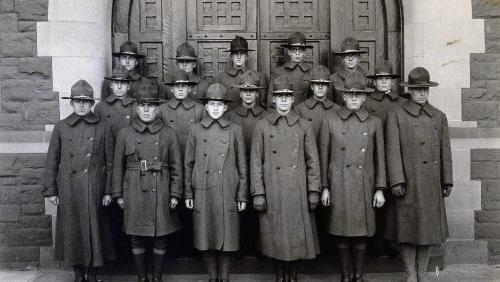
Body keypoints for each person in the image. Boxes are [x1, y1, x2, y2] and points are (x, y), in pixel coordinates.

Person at [43, 80, 116, 282]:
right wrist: (51, 190)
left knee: (95, 230)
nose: (82, 105)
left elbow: (110, 162)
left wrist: (109, 190)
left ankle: (92, 274)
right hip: (69, 187)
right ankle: (78, 274)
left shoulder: (103, 126)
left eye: (86, 101)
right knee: (73, 230)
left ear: (92, 103)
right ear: (72, 103)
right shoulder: (61, 127)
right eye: (77, 101)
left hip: (95, 187)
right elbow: (52, 160)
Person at [385, 67, 453, 282]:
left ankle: (422, 273)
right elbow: (392, 150)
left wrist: (447, 180)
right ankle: (410, 274)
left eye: (425, 89)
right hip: (408, 183)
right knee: (407, 231)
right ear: (410, 91)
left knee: (427, 232)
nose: (422, 93)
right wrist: (396, 179)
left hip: (431, 183)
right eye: (417, 89)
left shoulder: (439, 116)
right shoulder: (397, 114)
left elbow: (445, 151)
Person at [251, 76, 320, 282]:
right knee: (275, 237)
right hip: (272, 189)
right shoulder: (262, 126)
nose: (283, 101)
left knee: (296, 236)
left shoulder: (304, 125)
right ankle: (280, 275)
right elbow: (255, 161)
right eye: (279, 96)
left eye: (287, 97)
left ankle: (293, 275)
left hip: (296, 189)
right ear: (273, 100)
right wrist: (258, 192)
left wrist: (314, 190)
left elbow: (313, 161)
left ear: (292, 100)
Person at [318, 72, 386, 282]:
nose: (354, 98)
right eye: (350, 95)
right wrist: (325, 187)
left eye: (358, 95)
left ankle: (358, 275)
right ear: (343, 96)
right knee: (342, 232)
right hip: (339, 184)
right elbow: (323, 157)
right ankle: (346, 275)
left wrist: (380, 188)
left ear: (364, 98)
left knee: (361, 233)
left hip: (364, 185)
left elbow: (380, 159)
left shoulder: (374, 122)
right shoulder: (330, 120)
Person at [112, 83, 183, 282]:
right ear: (136, 107)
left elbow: (177, 168)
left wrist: (175, 194)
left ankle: (157, 279)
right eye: (142, 105)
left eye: (150, 105)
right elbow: (118, 166)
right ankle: (142, 279)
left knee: (160, 236)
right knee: (136, 235)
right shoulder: (125, 133)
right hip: (133, 189)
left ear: (157, 109)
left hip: (161, 188)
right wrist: (117, 194)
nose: (145, 109)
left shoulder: (169, 134)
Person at [184, 83, 248, 282]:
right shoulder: (195, 130)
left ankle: (225, 277)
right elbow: (189, 163)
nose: (215, 109)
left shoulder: (235, 130)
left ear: (226, 107)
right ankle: (212, 277)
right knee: (206, 233)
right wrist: (188, 192)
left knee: (227, 234)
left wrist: (242, 194)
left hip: (227, 188)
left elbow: (242, 164)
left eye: (219, 105)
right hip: (203, 188)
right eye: (212, 104)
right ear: (206, 106)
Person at [160, 70, 205, 257]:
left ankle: (192, 247)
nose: (179, 89)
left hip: (193, 161)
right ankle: (173, 248)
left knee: (191, 203)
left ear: (189, 88)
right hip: (168, 163)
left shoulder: (199, 109)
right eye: (176, 86)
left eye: (183, 86)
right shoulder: (162, 109)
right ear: (171, 89)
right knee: (170, 203)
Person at [363, 60, 405, 258]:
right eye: (380, 79)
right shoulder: (368, 102)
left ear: (392, 81)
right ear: (375, 82)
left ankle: (391, 242)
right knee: (373, 196)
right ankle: (373, 242)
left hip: (395, 155)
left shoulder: (401, 103)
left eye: (387, 79)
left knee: (393, 201)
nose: (384, 82)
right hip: (371, 154)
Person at [227, 69, 267, 256]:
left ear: (257, 93)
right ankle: (240, 249)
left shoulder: (266, 115)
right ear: (240, 93)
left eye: (252, 91)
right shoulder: (231, 116)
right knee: (240, 206)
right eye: (244, 90)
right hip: (237, 169)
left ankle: (259, 249)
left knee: (260, 208)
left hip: (261, 169)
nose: (248, 94)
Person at [213, 36, 266, 111]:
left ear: (247, 56)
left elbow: (262, 105)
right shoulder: (220, 78)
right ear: (231, 56)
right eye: (235, 53)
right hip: (228, 119)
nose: (239, 57)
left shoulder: (258, 77)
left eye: (242, 53)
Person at [266, 32, 313, 108]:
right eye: (294, 50)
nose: (297, 53)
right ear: (289, 52)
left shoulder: (312, 73)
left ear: (304, 53)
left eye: (300, 50)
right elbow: (271, 102)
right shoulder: (278, 73)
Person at [294, 64, 341, 138]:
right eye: (317, 84)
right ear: (312, 87)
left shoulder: (337, 110)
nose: (320, 87)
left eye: (323, 84)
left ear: (328, 88)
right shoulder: (299, 109)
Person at [330, 37, 371, 105]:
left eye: (354, 56)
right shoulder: (333, 78)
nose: (350, 59)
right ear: (342, 59)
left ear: (359, 58)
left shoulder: (367, 78)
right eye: (347, 56)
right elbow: (330, 102)